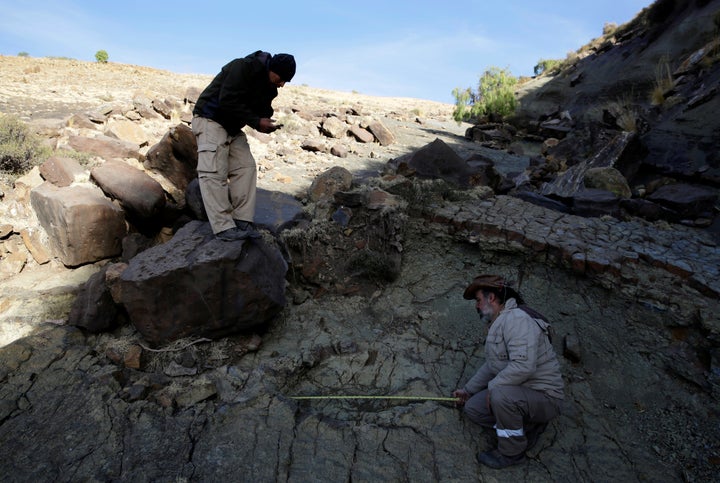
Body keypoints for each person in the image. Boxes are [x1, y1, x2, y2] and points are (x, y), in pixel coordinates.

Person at [452, 274, 564, 469]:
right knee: (473, 409)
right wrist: (468, 390)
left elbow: (523, 366)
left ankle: (512, 453)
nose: (477, 306)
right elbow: (492, 366)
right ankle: (525, 425)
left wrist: (495, 387)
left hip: (544, 397)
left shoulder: (517, 319)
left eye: (478, 300)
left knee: (500, 395)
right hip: (519, 392)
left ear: (492, 298)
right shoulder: (499, 323)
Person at [192, 50, 296, 241]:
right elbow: (227, 101)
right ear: (272, 69)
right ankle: (223, 227)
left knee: (246, 167)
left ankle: (242, 220)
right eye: (281, 78)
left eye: (285, 81)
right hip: (210, 118)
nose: (282, 84)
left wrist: (265, 122)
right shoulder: (242, 67)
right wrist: (256, 122)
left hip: (232, 125)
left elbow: (259, 111)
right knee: (214, 171)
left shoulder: (270, 87)